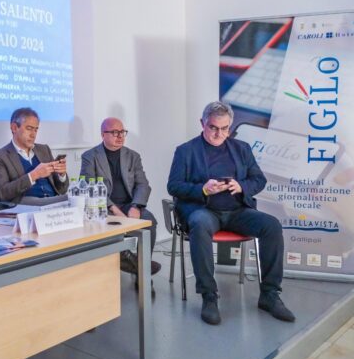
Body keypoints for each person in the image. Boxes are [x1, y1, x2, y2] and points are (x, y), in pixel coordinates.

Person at [167, 101, 295, 325]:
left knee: (272, 225)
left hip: (237, 211)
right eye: (213, 128)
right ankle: (209, 296)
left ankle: (270, 294)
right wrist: (203, 189)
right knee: (199, 223)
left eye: (225, 128)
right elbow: (174, 186)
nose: (219, 134)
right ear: (202, 123)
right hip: (205, 210)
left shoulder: (241, 148)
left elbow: (259, 180)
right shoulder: (186, 151)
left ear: (230, 126)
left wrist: (241, 186)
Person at [80, 117, 162, 278]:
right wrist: (113, 208)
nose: (120, 136)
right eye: (115, 132)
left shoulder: (133, 156)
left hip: (129, 205)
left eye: (122, 132)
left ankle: (142, 274)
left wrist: (136, 206)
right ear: (103, 134)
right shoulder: (90, 156)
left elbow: (143, 184)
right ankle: (142, 269)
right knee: (108, 229)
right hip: (103, 208)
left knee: (149, 221)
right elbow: (89, 186)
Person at [0, 107, 68, 204]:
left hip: (51, 202)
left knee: (75, 197)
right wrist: (34, 175)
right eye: (29, 129)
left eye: (36, 130)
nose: (33, 135)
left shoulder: (44, 150)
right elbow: (1, 194)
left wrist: (61, 175)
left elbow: (61, 190)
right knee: (71, 199)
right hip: (25, 204)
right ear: (14, 128)